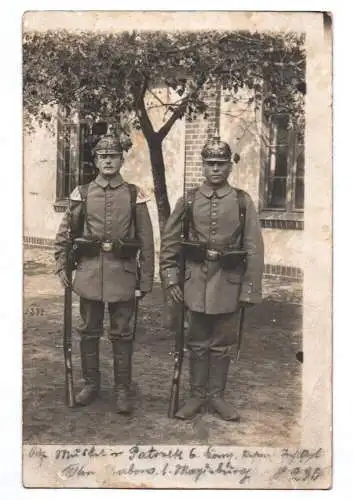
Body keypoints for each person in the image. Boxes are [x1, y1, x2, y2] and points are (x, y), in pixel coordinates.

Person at [160, 133, 264, 421]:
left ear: (230, 166)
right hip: (194, 283)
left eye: (220, 163)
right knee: (196, 340)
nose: (215, 169)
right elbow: (169, 243)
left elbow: (253, 248)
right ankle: (196, 396)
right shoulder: (189, 200)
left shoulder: (243, 202)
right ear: (202, 166)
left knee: (221, 343)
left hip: (229, 284)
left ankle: (216, 396)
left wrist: (248, 289)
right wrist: (170, 280)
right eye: (210, 163)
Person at [54, 132, 154, 415]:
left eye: (113, 156)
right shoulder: (82, 193)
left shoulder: (135, 194)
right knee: (88, 331)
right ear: (96, 161)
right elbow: (66, 233)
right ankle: (91, 384)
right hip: (88, 275)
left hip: (122, 275)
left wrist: (146, 278)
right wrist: (62, 265)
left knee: (122, 334)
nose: (108, 161)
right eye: (103, 156)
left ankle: (123, 390)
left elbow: (146, 241)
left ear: (121, 160)